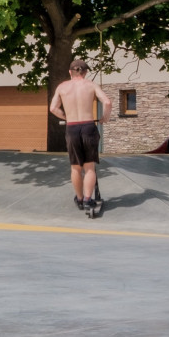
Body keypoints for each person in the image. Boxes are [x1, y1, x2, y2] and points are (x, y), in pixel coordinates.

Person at [47, 59, 112, 218]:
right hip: (88, 126)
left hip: (72, 127)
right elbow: (108, 102)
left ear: (70, 72)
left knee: (75, 167)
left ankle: (80, 199)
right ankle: (88, 199)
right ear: (85, 72)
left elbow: (53, 108)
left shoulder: (62, 87)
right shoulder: (90, 85)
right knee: (89, 167)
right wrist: (104, 117)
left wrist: (66, 116)